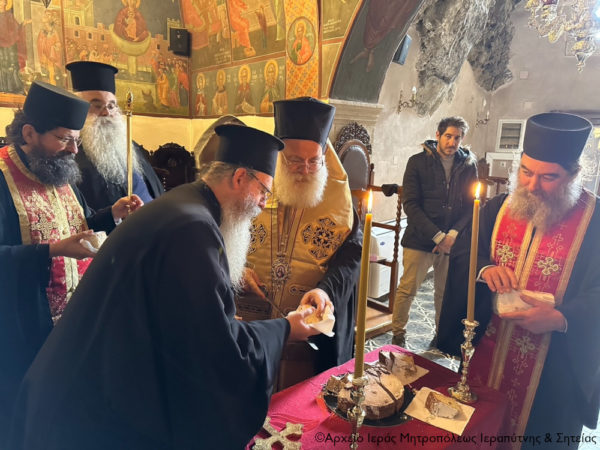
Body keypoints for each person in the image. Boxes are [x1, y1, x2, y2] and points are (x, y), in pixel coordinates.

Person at [7, 124, 321, 450]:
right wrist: (287, 329)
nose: (263, 204)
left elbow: (176, 316)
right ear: (240, 178)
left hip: (82, 389)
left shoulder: (184, 204)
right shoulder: (194, 227)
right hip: (86, 416)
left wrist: (214, 317)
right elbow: (218, 350)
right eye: (264, 191)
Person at [440, 112, 599, 447]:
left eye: (548, 177)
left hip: (555, 371)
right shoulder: (499, 207)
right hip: (490, 351)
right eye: (526, 171)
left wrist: (562, 318)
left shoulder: (594, 221)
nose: (532, 185)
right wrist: (485, 268)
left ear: (574, 175)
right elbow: (465, 250)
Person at [0, 81, 141, 443]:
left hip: (72, 319)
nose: (74, 150)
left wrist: (111, 214)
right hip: (21, 327)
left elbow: (77, 223)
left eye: (76, 140)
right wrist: (53, 250)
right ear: (29, 134)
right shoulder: (2, 177)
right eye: (64, 139)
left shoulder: (57, 168)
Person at [240, 97, 362, 390]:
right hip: (251, 323)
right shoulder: (249, 186)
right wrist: (235, 271)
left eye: (314, 161)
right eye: (294, 160)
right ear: (277, 155)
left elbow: (350, 260)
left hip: (311, 334)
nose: (305, 169)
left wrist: (325, 290)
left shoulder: (340, 202)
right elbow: (223, 239)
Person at [391, 116, 477, 347]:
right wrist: (438, 235)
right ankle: (398, 334)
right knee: (407, 289)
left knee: (444, 293)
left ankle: (441, 335)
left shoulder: (468, 165)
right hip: (420, 238)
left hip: (452, 240)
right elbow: (411, 204)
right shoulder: (417, 162)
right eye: (448, 136)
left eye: (457, 138)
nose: (452, 142)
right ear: (438, 135)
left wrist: (453, 234)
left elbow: (471, 205)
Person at [66, 61, 164, 211]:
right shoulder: (72, 157)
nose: (107, 113)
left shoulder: (129, 145)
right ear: (79, 109)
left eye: (111, 106)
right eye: (97, 106)